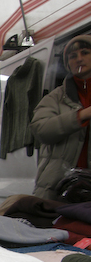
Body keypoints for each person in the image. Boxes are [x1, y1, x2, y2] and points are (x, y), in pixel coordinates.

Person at [30, 34, 91, 200]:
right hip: (58, 188)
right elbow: (40, 129)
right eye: (72, 56)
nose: (79, 59)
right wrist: (81, 115)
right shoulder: (55, 97)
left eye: (85, 53)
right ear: (67, 64)